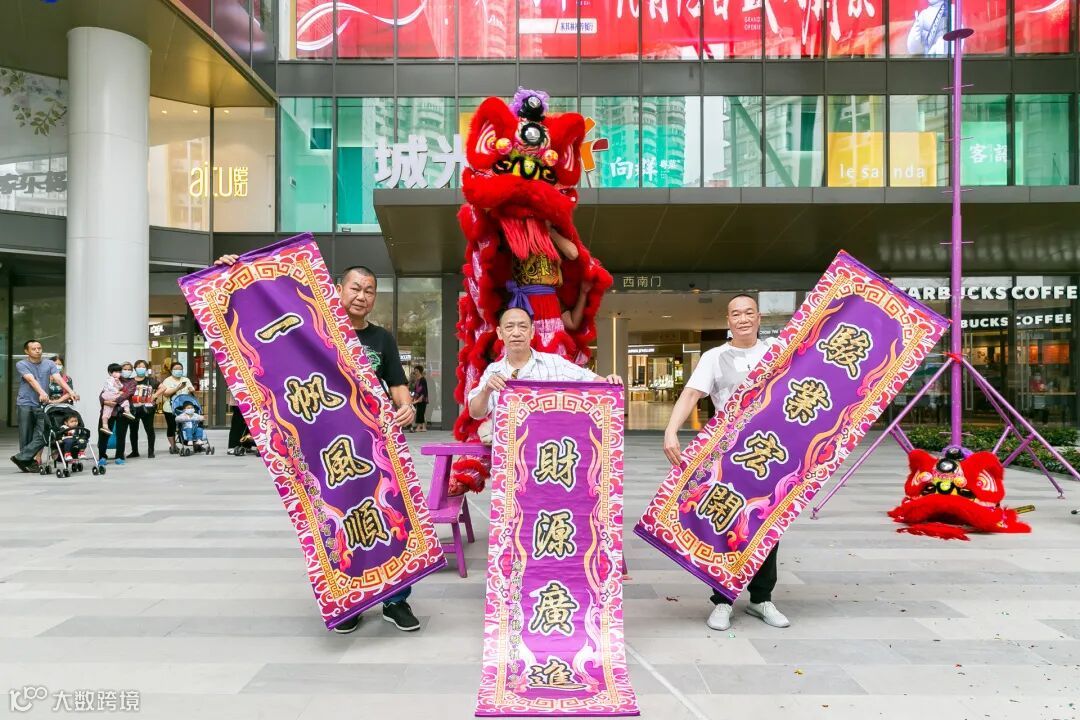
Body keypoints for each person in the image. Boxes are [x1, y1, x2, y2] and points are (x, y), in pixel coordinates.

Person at [215, 255, 419, 634]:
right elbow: (260, 316)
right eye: (355, 288)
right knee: (337, 520)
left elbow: (397, 384)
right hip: (326, 453)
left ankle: (396, 600)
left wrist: (405, 405)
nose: (361, 296)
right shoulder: (310, 329)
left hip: (373, 448)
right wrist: (232, 272)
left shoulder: (382, 339)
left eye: (369, 291)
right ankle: (352, 599)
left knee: (387, 514)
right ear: (338, 289)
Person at [662, 294, 790, 632]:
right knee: (726, 521)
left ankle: (762, 598)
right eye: (736, 314)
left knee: (766, 524)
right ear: (728, 320)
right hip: (729, 455)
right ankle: (723, 600)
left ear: (759, 318)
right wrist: (671, 431)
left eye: (749, 312)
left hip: (772, 452)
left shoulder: (777, 351)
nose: (743, 319)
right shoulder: (714, 357)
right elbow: (691, 394)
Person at [467, 306, 623, 423]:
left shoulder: (554, 363)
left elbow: (588, 378)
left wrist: (609, 382)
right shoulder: (494, 371)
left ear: (532, 332)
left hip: (547, 448)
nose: (516, 333)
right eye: (509, 327)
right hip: (508, 451)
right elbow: (476, 413)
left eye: (523, 327)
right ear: (500, 333)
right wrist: (486, 390)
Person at [11, 340, 79, 472]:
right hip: (25, 403)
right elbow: (31, 380)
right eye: (34, 349)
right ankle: (27, 462)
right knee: (26, 435)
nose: (38, 350)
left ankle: (21, 458)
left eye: (39, 348)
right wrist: (42, 392)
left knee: (45, 432)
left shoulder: (49, 363)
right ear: (27, 351)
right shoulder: (22, 364)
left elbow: (58, 378)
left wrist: (71, 392)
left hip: (43, 405)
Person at [97, 362, 137, 467]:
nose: (125, 371)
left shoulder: (132, 382)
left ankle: (119, 456)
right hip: (108, 409)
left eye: (129, 369)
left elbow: (127, 395)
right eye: (124, 369)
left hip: (121, 411)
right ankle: (102, 457)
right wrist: (105, 401)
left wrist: (114, 401)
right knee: (103, 434)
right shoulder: (110, 379)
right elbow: (102, 394)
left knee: (121, 435)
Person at [158, 362, 196, 454]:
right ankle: (173, 446)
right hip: (170, 408)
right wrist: (177, 388)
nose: (178, 371)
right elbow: (165, 393)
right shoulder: (167, 380)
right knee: (172, 427)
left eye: (180, 369)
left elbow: (191, 389)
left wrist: (191, 390)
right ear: (171, 370)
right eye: (176, 369)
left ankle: (193, 442)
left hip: (185, 408)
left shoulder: (186, 379)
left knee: (189, 425)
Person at [127, 359, 159, 459]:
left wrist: (154, 395)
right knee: (133, 430)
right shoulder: (130, 380)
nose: (141, 368)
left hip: (147, 409)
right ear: (135, 368)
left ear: (146, 369)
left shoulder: (151, 380)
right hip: (133, 408)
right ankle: (134, 451)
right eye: (139, 366)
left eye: (143, 367)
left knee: (149, 429)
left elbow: (163, 387)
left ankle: (151, 451)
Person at [409, 365, 429, 432]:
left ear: (420, 371)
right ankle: (423, 427)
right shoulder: (418, 380)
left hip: (422, 399)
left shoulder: (423, 379)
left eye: (417, 371)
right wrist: (414, 397)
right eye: (415, 371)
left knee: (420, 412)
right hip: (417, 398)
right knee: (420, 413)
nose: (415, 372)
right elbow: (415, 390)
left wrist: (421, 398)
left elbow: (424, 390)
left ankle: (419, 427)